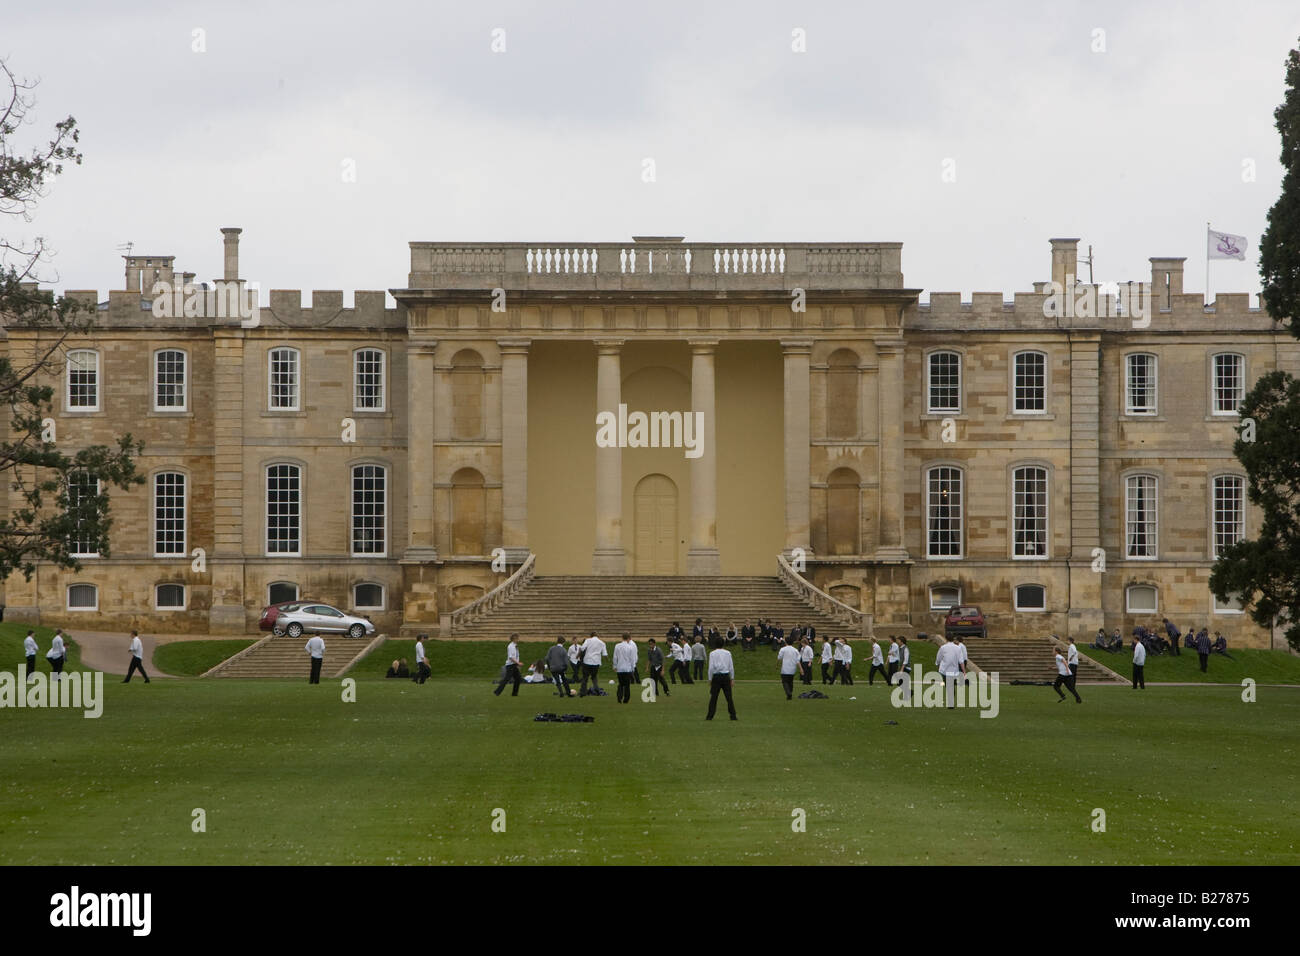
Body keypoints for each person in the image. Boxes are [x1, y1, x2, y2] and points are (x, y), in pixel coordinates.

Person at [705, 634, 737, 721]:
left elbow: (711, 667)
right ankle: (733, 715)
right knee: (729, 697)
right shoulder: (728, 653)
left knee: (714, 697)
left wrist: (710, 678)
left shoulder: (712, 653)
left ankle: (710, 716)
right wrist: (732, 678)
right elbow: (731, 666)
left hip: (716, 676)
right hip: (726, 676)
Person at [936, 635, 961, 707]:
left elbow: (939, 658)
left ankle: (950, 702)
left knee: (948, 685)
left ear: (946, 639)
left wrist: (938, 665)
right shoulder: (958, 648)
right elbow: (960, 659)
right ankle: (951, 702)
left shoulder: (943, 647)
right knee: (952, 685)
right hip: (954, 670)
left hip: (945, 670)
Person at [579, 631, 606, 696]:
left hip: (587, 661)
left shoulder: (588, 640)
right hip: (596, 662)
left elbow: (582, 648)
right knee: (594, 677)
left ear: (591, 636)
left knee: (585, 677)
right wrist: (607, 659)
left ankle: (583, 692)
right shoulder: (602, 643)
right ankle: (597, 691)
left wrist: (578, 655)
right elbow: (605, 654)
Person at [613, 633, 637, 704]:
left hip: (619, 668)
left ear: (622, 637)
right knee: (627, 685)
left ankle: (619, 697)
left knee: (621, 684)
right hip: (627, 668)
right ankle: (626, 699)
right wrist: (633, 668)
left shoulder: (617, 646)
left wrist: (614, 666)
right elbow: (632, 659)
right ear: (628, 638)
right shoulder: (630, 647)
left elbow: (615, 657)